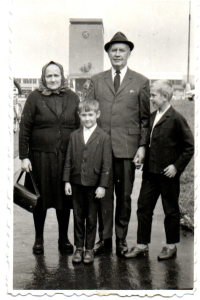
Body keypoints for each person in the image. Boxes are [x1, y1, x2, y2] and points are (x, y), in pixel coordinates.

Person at [87, 32, 150, 256]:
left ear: (129, 53)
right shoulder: (96, 80)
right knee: (102, 195)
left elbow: (145, 119)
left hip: (127, 149)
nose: (117, 54)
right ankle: (104, 240)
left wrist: (142, 146)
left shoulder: (141, 81)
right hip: (101, 150)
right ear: (108, 53)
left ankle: (121, 240)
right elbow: (88, 114)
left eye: (121, 50)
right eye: (113, 50)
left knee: (124, 197)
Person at [125, 80, 194, 260]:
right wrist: (142, 156)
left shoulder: (177, 118)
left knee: (170, 210)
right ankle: (142, 244)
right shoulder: (152, 116)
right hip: (150, 173)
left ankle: (170, 246)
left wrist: (176, 167)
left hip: (168, 175)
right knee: (143, 207)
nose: (151, 98)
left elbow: (189, 147)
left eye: (154, 95)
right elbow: (148, 143)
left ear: (165, 97)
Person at [19, 61, 80, 254]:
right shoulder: (34, 97)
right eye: (49, 76)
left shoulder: (72, 97)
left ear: (63, 76)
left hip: (65, 158)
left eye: (56, 75)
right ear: (43, 78)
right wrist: (23, 156)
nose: (53, 79)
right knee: (40, 199)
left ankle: (64, 239)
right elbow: (25, 127)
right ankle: (39, 239)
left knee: (65, 199)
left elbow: (79, 127)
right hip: (40, 158)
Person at [63, 99, 111, 264]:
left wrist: (103, 185)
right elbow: (68, 159)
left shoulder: (104, 136)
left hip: (93, 185)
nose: (87, 118)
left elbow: (106, 164)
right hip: (76, 183)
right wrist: (67, 181)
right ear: (79, 116)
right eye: (84, 115)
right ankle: (78, 248)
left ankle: (89, 249)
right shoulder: (74, 135)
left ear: (97, 115)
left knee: (91, 218)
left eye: (90, 115)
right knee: (78, 217)